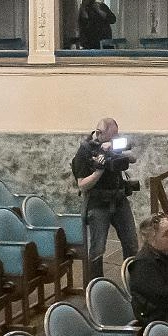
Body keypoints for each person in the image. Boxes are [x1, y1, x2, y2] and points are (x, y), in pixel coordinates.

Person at [71, 117, 139, 280]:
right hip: (98, 204)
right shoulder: (85, 151)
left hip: (120, 200)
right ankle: (96, 286)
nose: (115, 137)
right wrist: (98, 172)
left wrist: (113, 147)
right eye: (112, 136)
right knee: (97, 249)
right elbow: (82, 185)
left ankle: (134, 283)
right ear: (99, 133)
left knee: (131, 243)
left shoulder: (113, 142)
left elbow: (133, 157)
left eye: (117, 134)